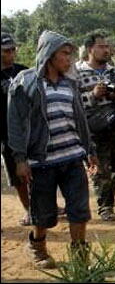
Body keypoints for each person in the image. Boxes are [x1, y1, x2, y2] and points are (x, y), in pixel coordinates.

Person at [8, 30, 98, 269]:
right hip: (42, 162)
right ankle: (38, 247)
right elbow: (15, 123)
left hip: (72, 158)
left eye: (70, 54)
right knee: (43, 213)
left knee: (79, 210)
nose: (69, 59)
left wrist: (89, 149)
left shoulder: (70, 83)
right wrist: (20, 158)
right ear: (49, 55)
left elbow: (80, 120)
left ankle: (79, 255)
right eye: (64, 54)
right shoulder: (26, 83)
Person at [76, 32, 115, 221]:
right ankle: (105, 206)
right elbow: (74, 102)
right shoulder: (77, 73)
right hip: (95, 129)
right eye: (101, 46)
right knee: (101, 171)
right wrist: (93, 95)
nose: (106, 50)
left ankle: (107, 196)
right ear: (90, 49)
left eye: (107, 46)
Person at [1, 32, 31, 226]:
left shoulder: (24, 71)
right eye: (6, 50)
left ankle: (43, 205)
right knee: (17, 174)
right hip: (6, 133)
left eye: (13, 49)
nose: (12, 53)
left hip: (29, 130)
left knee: (39, 169)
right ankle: (29, 210)